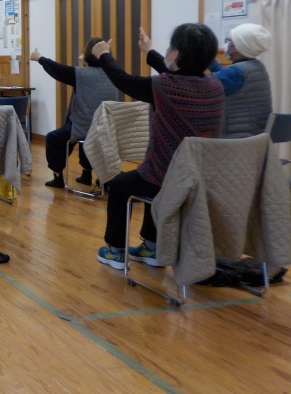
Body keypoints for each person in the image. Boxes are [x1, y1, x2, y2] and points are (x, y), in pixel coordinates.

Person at [92, 23, 224, 270]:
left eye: (170, 47)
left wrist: (104, 55)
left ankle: (115, 251)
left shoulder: (163, 87)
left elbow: (124, 81)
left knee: (121, 185)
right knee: (152, 177)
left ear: (178, 53)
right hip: (198, 178)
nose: (168, 51)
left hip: (165, 177)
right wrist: (149, 51)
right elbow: (180, 78)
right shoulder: (215, 85)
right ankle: (152, 247)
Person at [141, 24, 272, 139]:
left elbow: (189, 84)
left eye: (229, 41)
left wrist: (150, 51)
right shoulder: (255, 67)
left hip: (235, 142)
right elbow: (220, 75)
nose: (227, 45)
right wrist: (204, 56)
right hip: (254, 140)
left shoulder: (236, 73)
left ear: (238, 47)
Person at [30, 38, 118, 189]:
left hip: (84, 128)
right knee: (83, 133)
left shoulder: (80, 74)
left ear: (88, 54)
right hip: (105, 130)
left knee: (54, 138)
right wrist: (91, 60)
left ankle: (58, 177)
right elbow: (95, 74)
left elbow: (57, 69)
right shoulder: (114, 73)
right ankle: (86, 174)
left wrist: (39, 58)